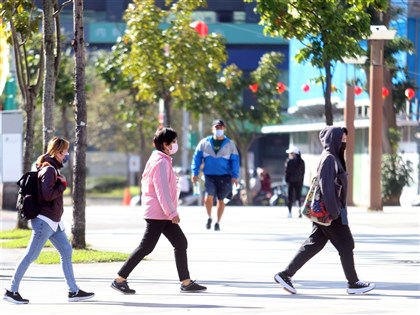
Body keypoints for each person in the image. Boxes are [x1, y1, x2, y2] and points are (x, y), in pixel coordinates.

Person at [274, 126, 375, 295]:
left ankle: (285, 275)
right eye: (341, 139)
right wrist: (334, 211)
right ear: (333, 140)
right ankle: (353, 283)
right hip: (330, 212)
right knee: (346, 244)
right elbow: (326, 187)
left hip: (331, 210)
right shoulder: (329, 158)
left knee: (314, 244)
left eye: (345, 140)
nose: (344, 142)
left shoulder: (334, 157)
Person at [111, 127, 207, 294]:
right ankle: (120, 279)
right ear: (165, 144)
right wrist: (172, 213)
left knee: (180, 242)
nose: (176, 145)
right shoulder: (160, 162)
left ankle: (186, 282)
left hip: (161, 212)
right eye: (174, 142)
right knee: (146, 247)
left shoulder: (161, 159)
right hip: (158, 213)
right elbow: (161, 190)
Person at [3, 137, 95, 304]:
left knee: (66, 251)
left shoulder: (52, 168)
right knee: (31, 255)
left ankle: (73, 291)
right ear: (58, 152)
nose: (67, 154)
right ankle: (12, 291)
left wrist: (60, 184)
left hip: (54, 221)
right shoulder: (49, 170)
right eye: (65, 151)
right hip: (44, 221)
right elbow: (47, 195)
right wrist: (62, 186)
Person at [191, 119, 240, 231]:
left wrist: (235, 176)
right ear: (212, 129)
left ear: (224, 129)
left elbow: (235, 161)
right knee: (209, 197)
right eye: (216, 127)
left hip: (225, 176)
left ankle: (218, 222)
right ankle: (209, 217)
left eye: (221, 127)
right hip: (209, 176)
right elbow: (196, 159)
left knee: (221, 199)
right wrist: (195, 172)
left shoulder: (230, 144)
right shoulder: (204, 143)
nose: (219, 129)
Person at [284, 145, 305, 218]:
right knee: (298, 197)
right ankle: (299, 211)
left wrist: (286, 180)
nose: (289, 154)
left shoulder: (289, 161)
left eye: (291, 153)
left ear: (294, 153)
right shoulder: (302, 162)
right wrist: (301, 181)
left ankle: (290, 212)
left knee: (290, 197)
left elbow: (286, 172)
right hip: (299, 181)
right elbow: (303, 173)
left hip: (290, 182)